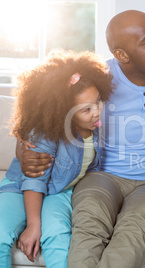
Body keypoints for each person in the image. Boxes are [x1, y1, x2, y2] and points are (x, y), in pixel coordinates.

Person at [16, 10, 145, 268]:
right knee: (89, 228)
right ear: (122, 55)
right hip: (102, 176)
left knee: (133, 234)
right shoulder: (96, 79)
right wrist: (21, 149)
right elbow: (44, 117)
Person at [0, 50, 113, 268]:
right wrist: (34, 225)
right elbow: (34, 179)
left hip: (60, 192)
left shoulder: (96, 130)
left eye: (98, 102)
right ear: (63, 112)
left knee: (57, 235)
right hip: (20, 187)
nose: (97, 112)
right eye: (86, 109)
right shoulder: (46, 132)